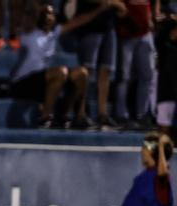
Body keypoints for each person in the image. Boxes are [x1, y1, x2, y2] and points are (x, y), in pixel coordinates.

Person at [9, 2, 119, 128]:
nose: (48, 17)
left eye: (51, 14)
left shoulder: (54, 33)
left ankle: (71, 116)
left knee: (81, 73)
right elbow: (27, 10)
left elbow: (81, 20)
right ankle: (45, 118)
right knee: (60, 72)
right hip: (23, 82)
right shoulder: (28, 32)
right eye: (44, 14)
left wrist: (101, 9)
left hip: (42, 82)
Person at [73, 0, 128, 129]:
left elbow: (122, 8)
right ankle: (80, 114)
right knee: (87, 72)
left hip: (109, 28)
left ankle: (102, 114)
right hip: (90, 27)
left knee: (106, 71)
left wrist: (118, 7)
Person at [114, 0, 157, 128]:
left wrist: (151, 17)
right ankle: (121, 115)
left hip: (145, 33)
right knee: (124, 76)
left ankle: (142, 114)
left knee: (147, 75)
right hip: (127, 32)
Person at [155, 16, 177, 137]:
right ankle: (156, 153)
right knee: (163, 130)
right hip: (166, 95)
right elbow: (159, 38)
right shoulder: (164, 48)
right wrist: (171, 20)